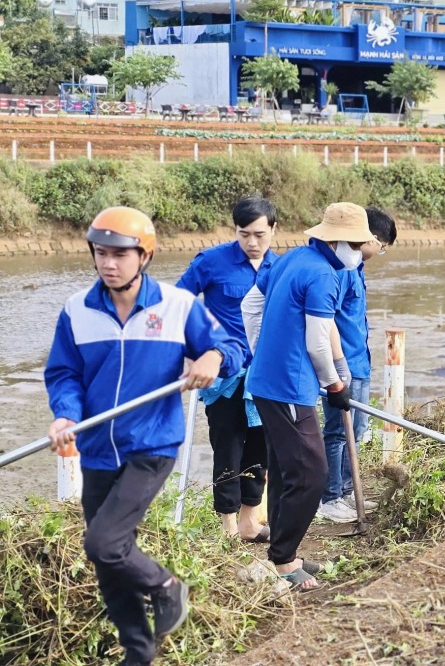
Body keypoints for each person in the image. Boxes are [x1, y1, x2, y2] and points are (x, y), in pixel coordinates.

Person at [45, 207, 244, 666]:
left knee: (101, 542)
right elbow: (64, 374)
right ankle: (138, 654)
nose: (108, 263)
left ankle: (168, 586)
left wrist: (212, 358)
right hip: (96, 447)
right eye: (100, 253)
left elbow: (230, 346)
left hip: (150, 444)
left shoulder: (177, 306)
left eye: (119, 254)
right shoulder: (77, 311)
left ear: (144, 255)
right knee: (109, 560)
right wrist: (64, 416)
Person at [240, 202, 376, 592]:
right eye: (353, 243)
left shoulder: (293, 259)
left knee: (286, 472)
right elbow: (316, 341)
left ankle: (286, 554)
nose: (358, 251)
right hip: (287, 387)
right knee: (313, 475)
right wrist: (335, 385)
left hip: (271, 382)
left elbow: (253, 304)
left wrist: (261, 349)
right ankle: (283, 562)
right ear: (332, 241)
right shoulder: (322, 275)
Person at [176, 197, 279, 542]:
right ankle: (228, 528)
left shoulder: (279, 268)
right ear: (234, 230)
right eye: (244, 234)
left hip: (265, 374)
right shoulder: (211, 262)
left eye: (259, 235)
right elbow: (179, 304)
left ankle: (250, 523)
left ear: (274, 231)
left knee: (260, 447)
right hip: (224, 376)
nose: (252, 242)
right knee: (228, 447)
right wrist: (194, 351)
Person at [316, 206, 397, 524]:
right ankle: (330, 497)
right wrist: (337, 368)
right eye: (383, 246)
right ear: (370, 239)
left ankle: (348, 491)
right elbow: (327, 321)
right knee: (337, 431)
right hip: (344, 366)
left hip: (359, 364)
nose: (381, 251)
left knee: (357, 430)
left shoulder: (355, 268)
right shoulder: (341, 269)